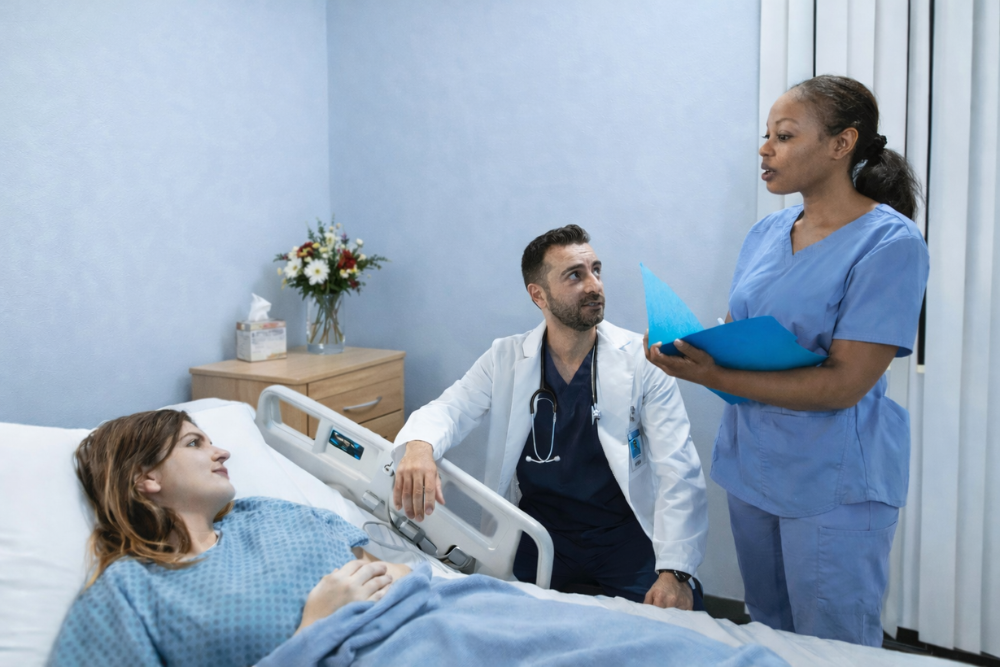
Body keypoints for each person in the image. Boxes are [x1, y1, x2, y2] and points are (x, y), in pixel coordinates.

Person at [49, 409, 788, 667]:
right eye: (194, 443)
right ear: (145, 478)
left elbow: (379, 563)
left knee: (643, 646)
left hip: (448, 616)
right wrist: (310, 633)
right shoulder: (132, 593)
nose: (222, 450)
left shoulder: (272, 515)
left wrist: (397, 575)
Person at [643, 75, 929, 647]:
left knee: (833, 646)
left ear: (841, 144)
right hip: (753, 468)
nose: (764, 148)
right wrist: (695, 350)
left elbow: (844, 384)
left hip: (833, 482)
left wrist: (715, 374)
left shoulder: (890, 245)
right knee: (769, 634)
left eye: (784, 135)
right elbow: (742, 331)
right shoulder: (767, 232)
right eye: (767, 134)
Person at [392, 225, 708, 610]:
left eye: (596, 270)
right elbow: (450, 409)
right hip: (540, 536)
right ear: (538, 294)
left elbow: (678, 467)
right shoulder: (506, 358)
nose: (594, 285)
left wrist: (674, 572)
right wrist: (419, 446)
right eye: (575, 275)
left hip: (622, 537)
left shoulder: (642, 361)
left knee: (676, 620)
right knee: (495, 616)